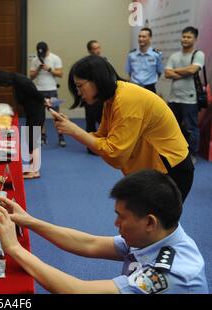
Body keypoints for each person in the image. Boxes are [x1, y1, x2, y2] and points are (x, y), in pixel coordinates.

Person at [0, 169, 208, 294]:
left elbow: (77, 291)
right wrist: (30, 221)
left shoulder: (169, 274)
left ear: (149, 222)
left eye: (122, 217)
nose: (116, 223)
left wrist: (15, 249)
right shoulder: (158, 234)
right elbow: (89, 244)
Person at [54, 55, 194, 202]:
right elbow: (102, 137)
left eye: (80, 85)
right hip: (152, 170)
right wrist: (74, 129)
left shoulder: (125, 100)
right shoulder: (112, 99)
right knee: (145, 222)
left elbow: (116, 155)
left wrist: (75, 131)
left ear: (96, 79)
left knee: (155, 223)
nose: (78, 92)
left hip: (170, 170)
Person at [0, 70, 45, 179]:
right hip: (31, 111)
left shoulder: (21, 81)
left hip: (36, 112)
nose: (3, 86)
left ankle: (35, 171)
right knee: (30, 140)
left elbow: (37, 95)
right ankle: (32, 168)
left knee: (33, 140)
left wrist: (46, 101)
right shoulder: (16, 80)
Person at [165, 26, 205, 164]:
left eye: (189, 37)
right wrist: (186, 71)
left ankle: (192, 155)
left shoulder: (198, 54)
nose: (185, 39)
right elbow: (166, 73)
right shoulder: (174, 56)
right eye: (184, 36)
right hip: (173, 98)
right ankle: (173, 153)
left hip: (190, 99)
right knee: (172, 127)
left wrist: (175, 72)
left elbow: (194, 69)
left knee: (191, 129)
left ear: (195, 39)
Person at [30, 42, 66, 147]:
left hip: (52, 90)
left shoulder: (55, 58)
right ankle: (43, 136)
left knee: (56, 115)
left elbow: (60, 74)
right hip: (39, 91)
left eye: (43, 52)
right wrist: (38, 69)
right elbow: (31, 77)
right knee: (40, 116)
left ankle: (61, 137)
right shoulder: (35, 60)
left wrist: (49, 69)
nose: (42, 55)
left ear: (47, 50)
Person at [82, 40, 104, 154]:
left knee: (103, 122)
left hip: (102, 97)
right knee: (90, 122)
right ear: (90, 50)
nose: (98, 50)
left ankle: (104, 146)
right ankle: (90, 147)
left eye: (98, 47)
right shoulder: (85, 64)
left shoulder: (105, 62)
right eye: (95, 48)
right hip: (90, 98)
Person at [125, 27, 164, 93]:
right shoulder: (131, 54)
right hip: (135, 87)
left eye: (144, 37)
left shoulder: (156, 54)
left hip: (150, 87)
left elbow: (159, 71)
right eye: (139, 36)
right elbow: (129, 72)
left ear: (150, 38)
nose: (140, 39)